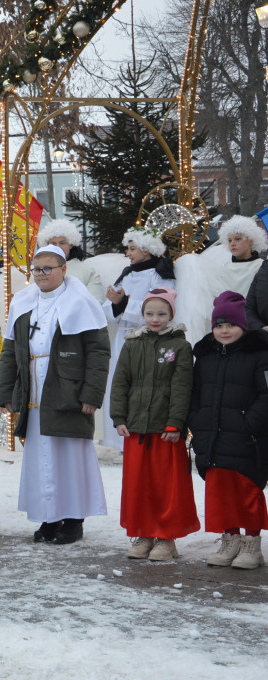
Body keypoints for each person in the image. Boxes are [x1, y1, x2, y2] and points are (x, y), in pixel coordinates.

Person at [0, 245, 110, 545]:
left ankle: (73, 520)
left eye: (48, 268)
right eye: (36, 269)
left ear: (63, 270)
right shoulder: (22, 303)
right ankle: (49, 517)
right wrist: (6, 391)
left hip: (67, 392)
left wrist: (92, 393)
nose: (41, 274)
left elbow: (98, 353)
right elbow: (10, 351)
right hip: (33, 393)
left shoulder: (81, 303)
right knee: (40, 459)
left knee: (69, 458)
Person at [109, 288, 199, 561]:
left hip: (164, 431)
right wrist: (119, 417)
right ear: (142, 314)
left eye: (162, 313)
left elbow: (182, 387)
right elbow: (120, 382)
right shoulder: (132, 344)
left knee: (165, 485)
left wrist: (175, 423)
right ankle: (143, 533)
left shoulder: (180, 346)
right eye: (149, 313)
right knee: (139, 485)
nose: (155, 318)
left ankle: (166, 538)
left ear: (171, 314)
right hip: (136, 427)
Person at [190, 291, 268, 569]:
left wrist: (250, 424)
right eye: (219, 325)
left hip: (247, 438)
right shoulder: (206, 356)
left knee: (246, 492)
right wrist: (197, 422)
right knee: (221, 494)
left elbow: (266, 394)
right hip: (213, 435)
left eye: (231, 325)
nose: (225, 330)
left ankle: (251, 545)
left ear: (243, 326)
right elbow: (195, 393)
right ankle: (230, 539)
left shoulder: (259, 354)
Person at [101, 228, 175, 450]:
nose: (128, 253)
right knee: (122, 384)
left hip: (149, 339)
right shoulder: (126, 274)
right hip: (124, 338)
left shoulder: (160, 274)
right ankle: (120, 437)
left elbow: (161, 306)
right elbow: (109, 311)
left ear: (147, 250)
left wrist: (124, 305)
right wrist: (115, 304)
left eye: (132, 248)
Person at [34, 219, 103, 301]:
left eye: (62, 243)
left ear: (71, 244)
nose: (58, 247)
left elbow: (95, 302)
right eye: (53, 243)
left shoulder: (87, 270)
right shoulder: (38, 270)